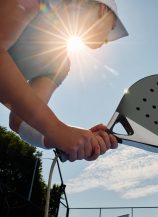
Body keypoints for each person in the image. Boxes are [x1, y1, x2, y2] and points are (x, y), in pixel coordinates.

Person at [0, 0, 128, 161]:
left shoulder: (60, 64)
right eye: (111, 28)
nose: (106, 41)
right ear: (102, 10)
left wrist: (69, 139)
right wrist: (59, 131)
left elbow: (19, 120)